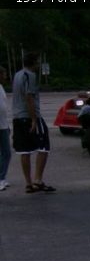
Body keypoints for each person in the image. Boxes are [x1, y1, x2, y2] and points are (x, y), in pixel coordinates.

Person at [12, 52, 55, 193]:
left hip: (17, 117)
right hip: (29, 116)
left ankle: (28, 183)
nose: (38, 64)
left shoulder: (17, 75)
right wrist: (34, 119)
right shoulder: (30, 75)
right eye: (37, 62)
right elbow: (29, 96)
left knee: (25, 150)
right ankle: (38, 180)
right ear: (34, 62)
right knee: (44, 147)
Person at [0, 65, 10, 191]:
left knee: (5, 153)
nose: (5, 76)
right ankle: (1, 178)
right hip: (1, 126)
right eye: (3, 74)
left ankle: (2, 177)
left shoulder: (1, 87)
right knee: (6, 153)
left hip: (3, 125)